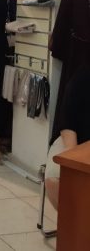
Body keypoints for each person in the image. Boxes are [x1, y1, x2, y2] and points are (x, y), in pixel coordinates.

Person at [45, 66, 90, 209]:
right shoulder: (81, 79)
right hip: (74, 139)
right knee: (55, 179)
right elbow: (67, 123)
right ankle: (73, 221)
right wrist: (73, 159)